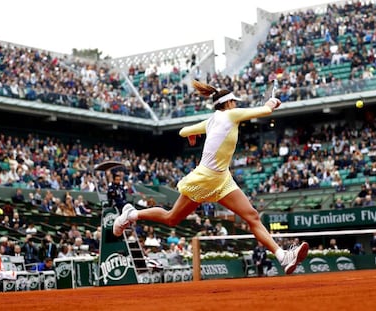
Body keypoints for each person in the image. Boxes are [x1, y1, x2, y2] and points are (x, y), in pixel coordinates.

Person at [113, 80, 309, 275]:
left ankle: (283, 256)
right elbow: (266, 111)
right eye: (234, 102)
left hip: (223, 179)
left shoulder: (211, 120)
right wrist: (273, 102)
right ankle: (131, 215)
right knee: (171, 218)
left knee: (252, 216)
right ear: (229, 103)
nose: (236, 104)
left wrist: (192, 135)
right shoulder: (231, 115)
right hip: (205, 178)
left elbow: (183, 131)